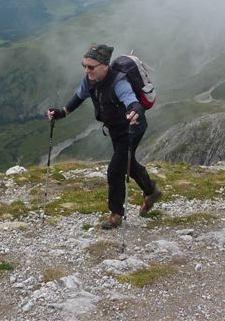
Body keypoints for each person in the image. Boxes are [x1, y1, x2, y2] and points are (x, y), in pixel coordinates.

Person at [47, 43, 162, 229]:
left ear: (104, 66)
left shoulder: (119, 82)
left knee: (116, 169)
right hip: (116, 130)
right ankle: (151, 191)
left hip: (132, 127)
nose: (87, 70)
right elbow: (79, 97)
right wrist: (62, 112)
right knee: (128, 164)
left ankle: (115, 214)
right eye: (84, 65)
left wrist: (136, 110)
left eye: (91, 67)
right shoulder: (90, 79)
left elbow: (131, 101)